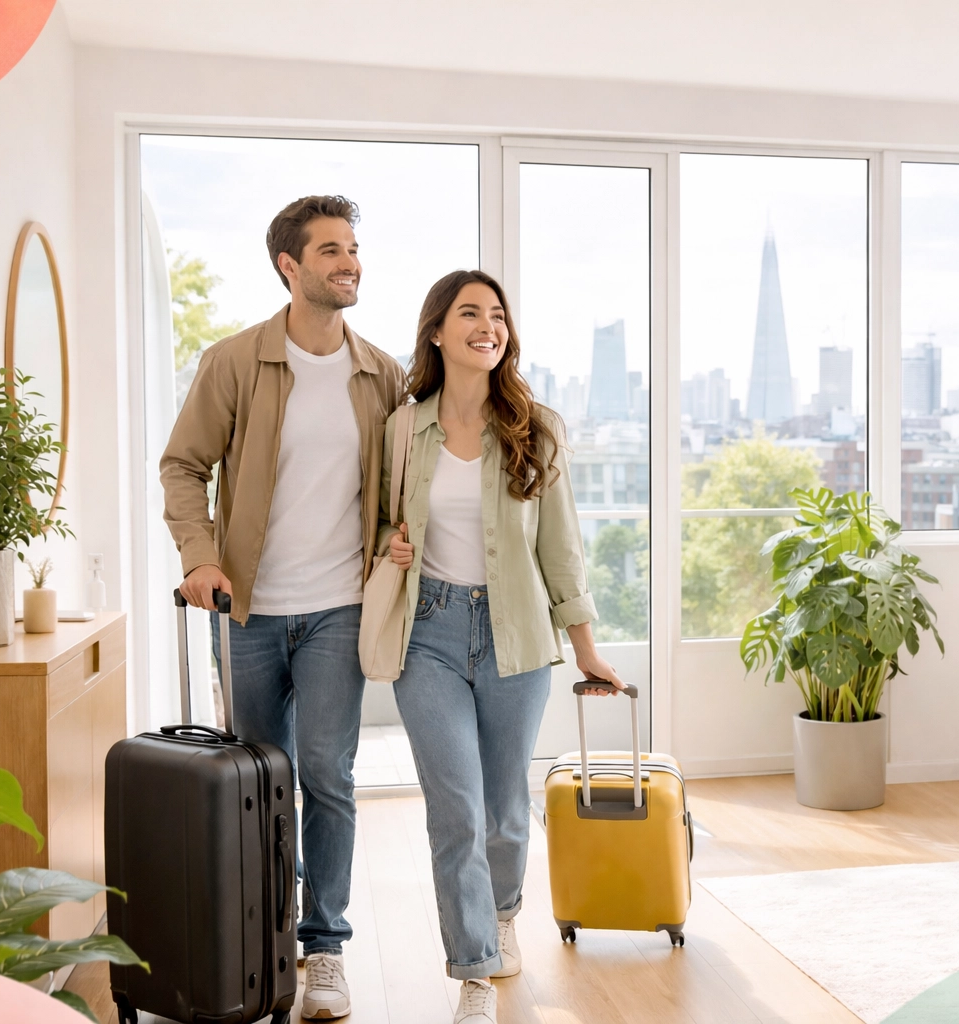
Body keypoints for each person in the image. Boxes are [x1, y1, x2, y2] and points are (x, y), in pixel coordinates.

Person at [161, 195, 405, 1020]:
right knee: (263, 781)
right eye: (331, 250)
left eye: (354, 248)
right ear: (289, 266)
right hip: (250, 613)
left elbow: (404, 479)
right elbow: (183, 465)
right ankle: (265, 939)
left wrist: (398, 540)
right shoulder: (235, 361)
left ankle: (324, 947)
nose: (350, 262)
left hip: (340, 608)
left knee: (329, 777)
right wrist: (200, 558)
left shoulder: (381, 374)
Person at [377, 269, 623, 1024]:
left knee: (506, 806)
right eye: (470, 314)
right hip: (429, 635)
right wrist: (389, 543)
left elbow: (561, 548)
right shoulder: (402, 428)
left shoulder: (534, 427)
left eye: (497, 316)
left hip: (516, 633)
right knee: (455, 808)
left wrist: (585, 646)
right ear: (436, 332)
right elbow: (380, 519)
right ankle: (474, 972)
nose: (488, 327)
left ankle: (504, 910)